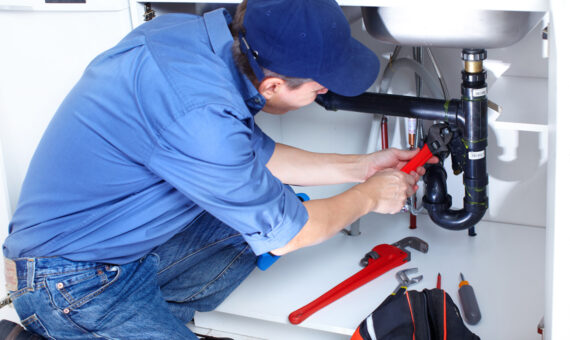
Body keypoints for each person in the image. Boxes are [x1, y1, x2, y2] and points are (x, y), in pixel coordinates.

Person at [3, 0, 433, 338]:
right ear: (273, 86)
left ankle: (134, 322)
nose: (326, 92)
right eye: (320, 87)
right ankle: (68, 328)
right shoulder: (202, 116)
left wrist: (362, 168)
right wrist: (371, 196)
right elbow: (293, 234)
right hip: (69, 282)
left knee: (254, 225)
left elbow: (254, 158)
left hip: (120, 247)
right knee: (279, 224)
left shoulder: (191, 38)